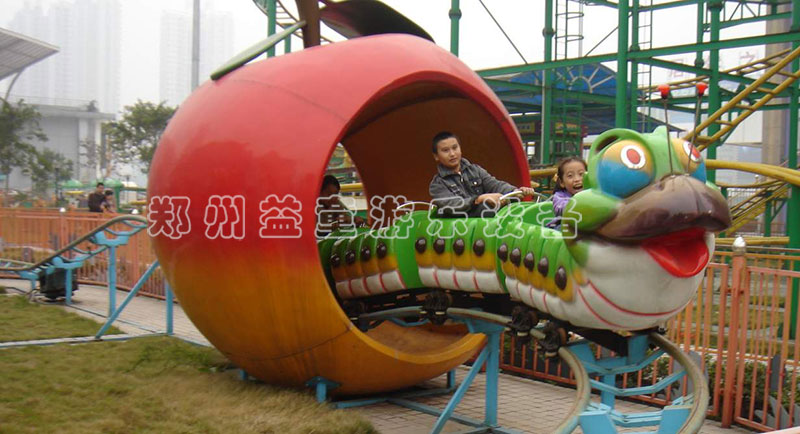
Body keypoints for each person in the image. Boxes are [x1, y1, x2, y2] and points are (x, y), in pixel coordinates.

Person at [428, 131, 537, 217]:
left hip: (483, 221)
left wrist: (515, 191)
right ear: (436, 156)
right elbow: (452, 204)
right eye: (445, 150)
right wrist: (478, 199)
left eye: (455, 148)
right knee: (487, 208)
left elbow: (495, 184)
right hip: (461, 227)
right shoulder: (437, 184)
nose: (452, 154)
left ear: (460, 149)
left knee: (514, 202)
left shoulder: (475, 170)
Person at [548, 156, 587, 228]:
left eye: (581, 174)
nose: (577, 179)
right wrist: (579, 206)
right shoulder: (560, 196)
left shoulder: (592, 194)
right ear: (562, 182)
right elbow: (560, 208)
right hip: (564, 227)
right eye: (570, 176)